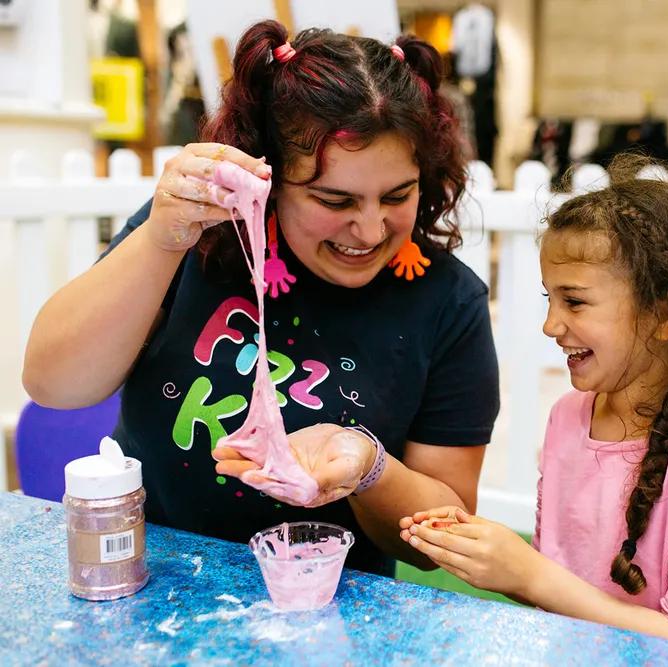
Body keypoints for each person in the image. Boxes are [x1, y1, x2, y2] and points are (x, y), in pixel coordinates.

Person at [22, 20, 500, 579]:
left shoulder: (447, 303)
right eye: (333, 199)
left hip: (322, 600)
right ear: (268, 176)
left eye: (397, 196)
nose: (369, 231)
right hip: (150, 576)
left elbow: (439, 538)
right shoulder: (198, 243)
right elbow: (53, 383)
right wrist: (158, 240)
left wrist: (369, 470)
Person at [399, 155, 668, 652]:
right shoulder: (569, 417)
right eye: (549, 299)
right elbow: (561, 600)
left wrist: (529, 575)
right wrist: (493, 557)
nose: (551, 326)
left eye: (574, 302)